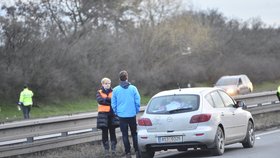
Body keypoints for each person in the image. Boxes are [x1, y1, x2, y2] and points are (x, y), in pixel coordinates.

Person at [111, 70, 141, 158]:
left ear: (119, 78)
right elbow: (137, 101)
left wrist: (117, 111)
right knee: (134, 133)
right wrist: (136, 110)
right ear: (127, 77)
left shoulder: (115, 90)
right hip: (132, 114)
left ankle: (127, 153)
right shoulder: (133, 88)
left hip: (121, 116)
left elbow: (113, 103)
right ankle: (137, 151)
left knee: (124, 135)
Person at [96, 78, 118, 156]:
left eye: (109, 83)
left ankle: (113, 150)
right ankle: (106, 151)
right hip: (103, 116)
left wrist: (106, 100)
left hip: (112, 116)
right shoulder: (99, 92)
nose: (108, 84)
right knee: (104, 133)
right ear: (102, 84)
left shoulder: (114, 92)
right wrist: (110, 100)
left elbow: (116, 100)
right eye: (106, 83)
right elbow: (100, 101)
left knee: (113, 133)